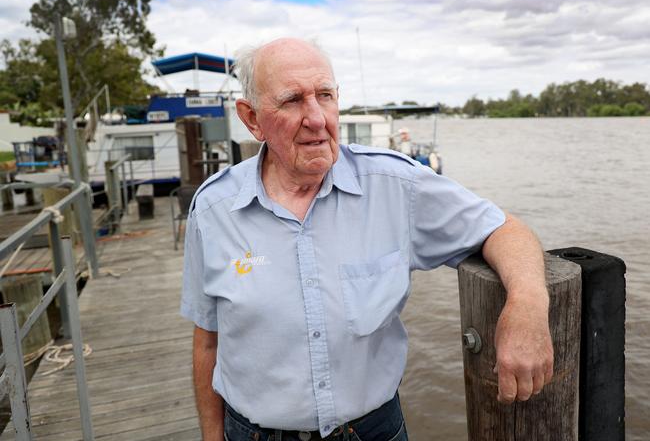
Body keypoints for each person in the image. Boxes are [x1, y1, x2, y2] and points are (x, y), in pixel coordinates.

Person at [181, 38, 553, 441]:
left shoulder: (395, 186)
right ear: (252, 119)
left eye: (325, 95)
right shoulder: (214, 210)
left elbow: (504, 228)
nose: (317, 118)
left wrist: (527, 305)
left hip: (373, 431)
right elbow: (207, 341)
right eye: (292, 101)